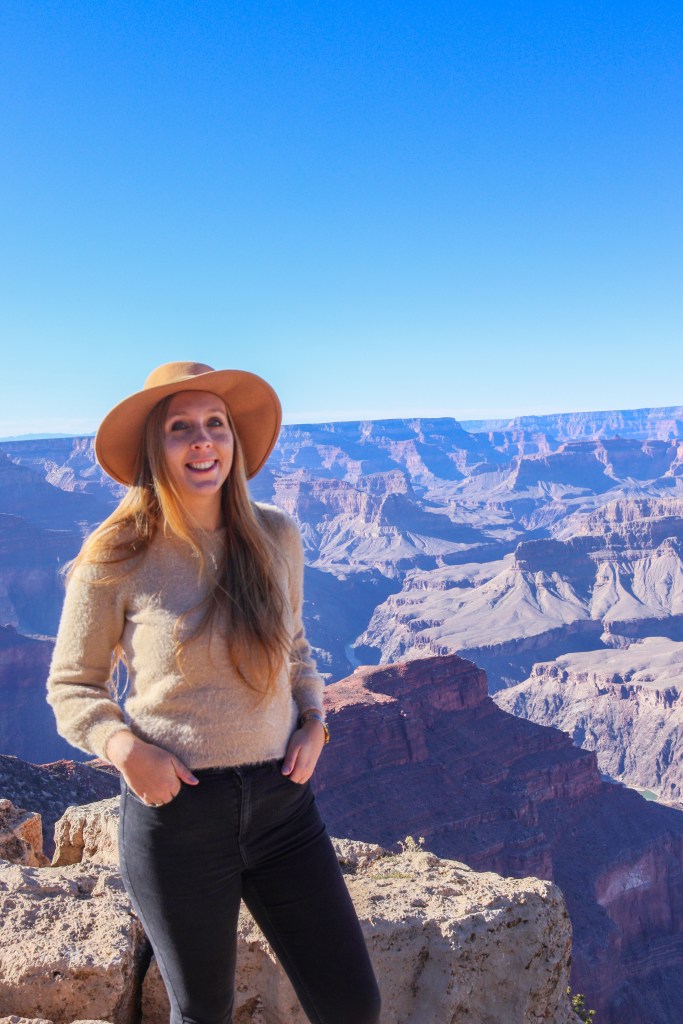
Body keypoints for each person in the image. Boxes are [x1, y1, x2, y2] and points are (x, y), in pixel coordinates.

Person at [46, 361, 381, 1024]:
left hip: (283, 810)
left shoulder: (276, 535)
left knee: (352, 1003)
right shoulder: (116, 554)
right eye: (180, 428)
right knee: (202, 1013)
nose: (203, 441)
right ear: (154, 447)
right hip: (178, 818)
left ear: (233, 439)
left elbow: (296, 647)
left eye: (214, 424)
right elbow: (71, 686)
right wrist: (125, 750)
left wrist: (315, 720)